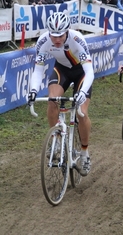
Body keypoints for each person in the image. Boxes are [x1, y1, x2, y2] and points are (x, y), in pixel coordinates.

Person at [28, 12, 94, 176]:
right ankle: (57, 140)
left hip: (82, 73)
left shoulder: (77, 39)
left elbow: (90, 72)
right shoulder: (43, 41)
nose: (56, 39)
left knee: (81, 113)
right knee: (52, 101)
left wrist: (83, 92)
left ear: (67, 31)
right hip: (62, 70)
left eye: (60, 35)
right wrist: (33, 90)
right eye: (53, 36)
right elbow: (38, 70)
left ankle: (85, 152)